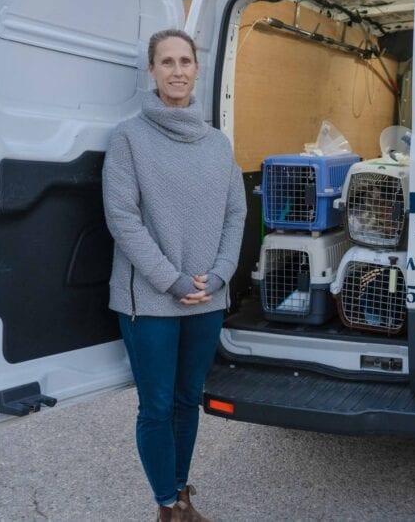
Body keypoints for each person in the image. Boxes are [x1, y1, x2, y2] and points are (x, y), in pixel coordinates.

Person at [103, 29, 247, 522]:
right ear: (152, 72)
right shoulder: (129, 137)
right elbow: (122, 218)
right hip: (151, 301)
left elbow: (236, 214)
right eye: (167, 62)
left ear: (197, 69)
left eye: (185, 61)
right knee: (157, 406)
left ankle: (182, 493)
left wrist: (222, 274)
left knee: (189, 400)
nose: (178, 70)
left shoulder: (217, 143)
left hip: (208, 297)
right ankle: (167, 504)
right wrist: (173, 280)